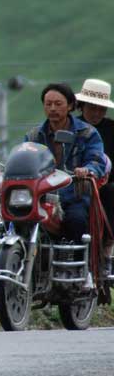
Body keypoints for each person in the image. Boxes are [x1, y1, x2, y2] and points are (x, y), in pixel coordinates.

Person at [26, 82, 106, 243]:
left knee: (76, 220)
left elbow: (98, 161)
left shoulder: (87, 133)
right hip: (40, 196)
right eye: (48, 104)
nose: (53, 108)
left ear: (70, 105)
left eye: (58, 104)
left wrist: (87, 169)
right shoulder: (34, 136)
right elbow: (24, 159)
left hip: (73, 196)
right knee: (14, 218)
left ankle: (73, 265)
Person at [75, 78, 114, 272]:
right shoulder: (70, 126)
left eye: (101, 109)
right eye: (92, 108)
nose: (97, 113)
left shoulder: (112, 129)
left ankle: (107, 249)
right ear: (82, 106)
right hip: (71, 181)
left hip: (104, 184)